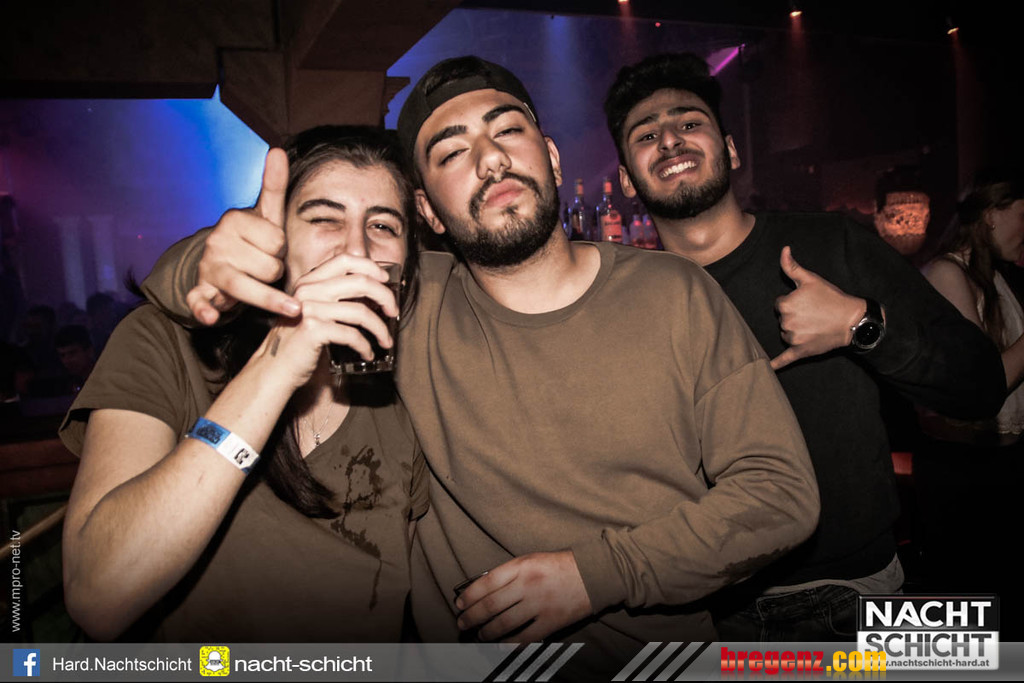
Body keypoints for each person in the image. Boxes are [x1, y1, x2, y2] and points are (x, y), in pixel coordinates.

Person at [140, 57, 819, 671]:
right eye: (452, 151)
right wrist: (211, 259)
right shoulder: (405, 305)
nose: (491, 159)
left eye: (508, 131)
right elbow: (197, 284)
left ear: (552, 158)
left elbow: (781, 495)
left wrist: (595, 575)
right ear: (427, 211)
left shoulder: (676, 293)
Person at [602, 52, 1007, 641]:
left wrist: (860, 325)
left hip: (855, 593)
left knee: (984, 659)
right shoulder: (627, 299)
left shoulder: (831, 245)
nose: (669, 139)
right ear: (626, 179)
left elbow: (980, 386)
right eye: (646, 135)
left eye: (689, 122)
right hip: (706, 611)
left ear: (731, 151)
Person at [58, 126, 426, 642]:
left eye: (383, 225)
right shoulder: (162, 345)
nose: (357, 250)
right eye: (324, 218)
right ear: (273, 238)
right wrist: (280, 361)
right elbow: (99, 597)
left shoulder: (410, 380)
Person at [916, 169, 1024, 636]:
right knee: (969, 622)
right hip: (963, 472)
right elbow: (983, 384)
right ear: (992, 214)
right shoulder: (946, 273)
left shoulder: (996, 278)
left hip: (997, 464)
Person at [54, 324, 96, 393]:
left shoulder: (108, 380)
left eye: (72, 353)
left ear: (89, 351)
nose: (66, 361)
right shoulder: (63, 384)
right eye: (62, 355)